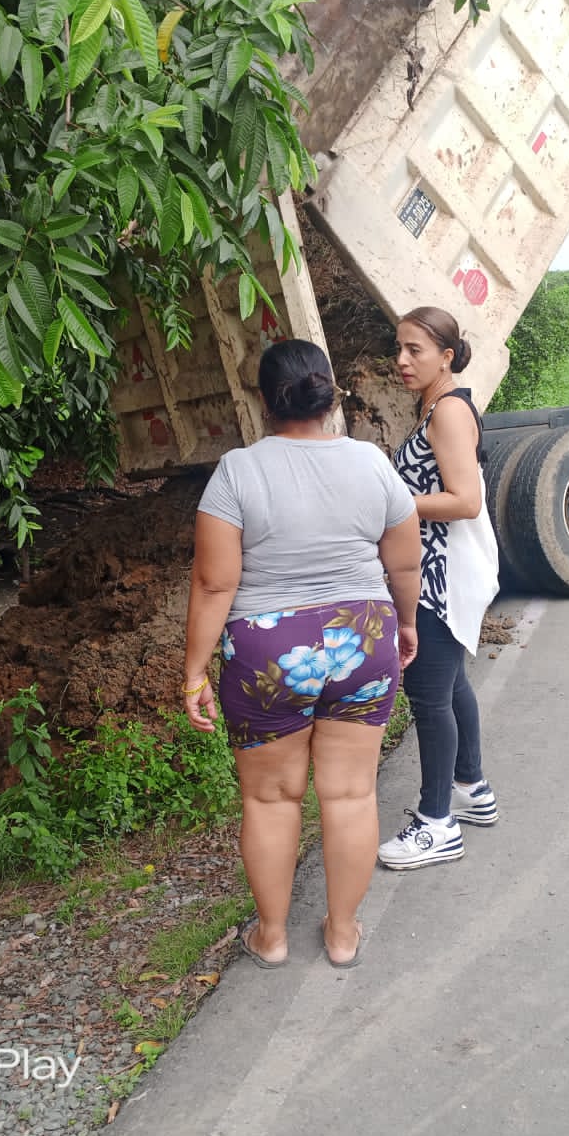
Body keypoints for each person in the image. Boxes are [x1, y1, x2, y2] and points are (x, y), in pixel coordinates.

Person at [183, 339, 422, 969]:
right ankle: (342, 934)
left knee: (270, 799)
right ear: (330, 394)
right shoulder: (372, 464)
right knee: (350, 795)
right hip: (362, 637)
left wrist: (194, 671)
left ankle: (272, 936)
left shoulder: (237, 471)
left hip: (267, 649)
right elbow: (404, 562)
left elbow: (214, 584)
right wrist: (405, 624)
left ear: (265, 401)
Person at [377, 305, 500, 871]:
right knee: (451, 686)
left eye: (415, 350)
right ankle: (470, 790)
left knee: (429, 697)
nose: (402, 360)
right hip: (440, 571)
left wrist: (392, 503)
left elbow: (465, 501)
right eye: (398, 348)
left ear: (446, 357)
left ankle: (436, 824)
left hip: (440, 577)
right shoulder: (435, 404)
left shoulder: (448, 411)